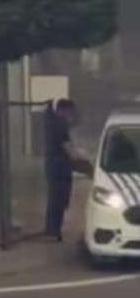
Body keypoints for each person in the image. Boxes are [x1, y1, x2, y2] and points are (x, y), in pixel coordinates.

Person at [43, 98, 89, 241]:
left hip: (54, 166)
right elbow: (68, 148)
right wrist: (85, 165)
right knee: (59, 200)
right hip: (60, 168)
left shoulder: (51, 123)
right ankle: (53, 231)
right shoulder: (60, 125)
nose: (71, 116)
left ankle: (52, 230)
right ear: (65, 111)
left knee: (56, 199)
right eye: (70, 112)